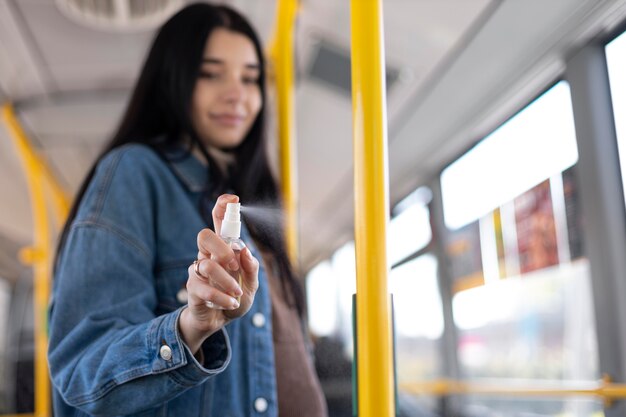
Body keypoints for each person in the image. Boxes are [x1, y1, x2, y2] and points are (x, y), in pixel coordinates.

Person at [47, 3, 328, 416]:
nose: (238, 94)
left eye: (250, 78)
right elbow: (82, 370)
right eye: (210, 73)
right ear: (172, 80)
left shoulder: (246, 198)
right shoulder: (135, 173)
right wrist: (191, 327)